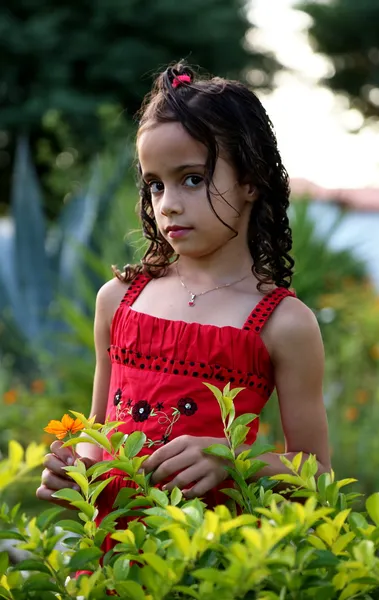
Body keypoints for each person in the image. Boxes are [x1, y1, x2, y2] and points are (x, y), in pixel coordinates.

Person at [37, 62, 330, 545]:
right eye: (155, 184)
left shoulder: (282, 322)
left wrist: (231, 457)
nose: (168, 202)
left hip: (213, 562)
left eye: (191, 179)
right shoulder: (118, 301)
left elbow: (317, 472)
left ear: (252, 181)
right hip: (114, 556)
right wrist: (75, 469)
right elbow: (98, 433)